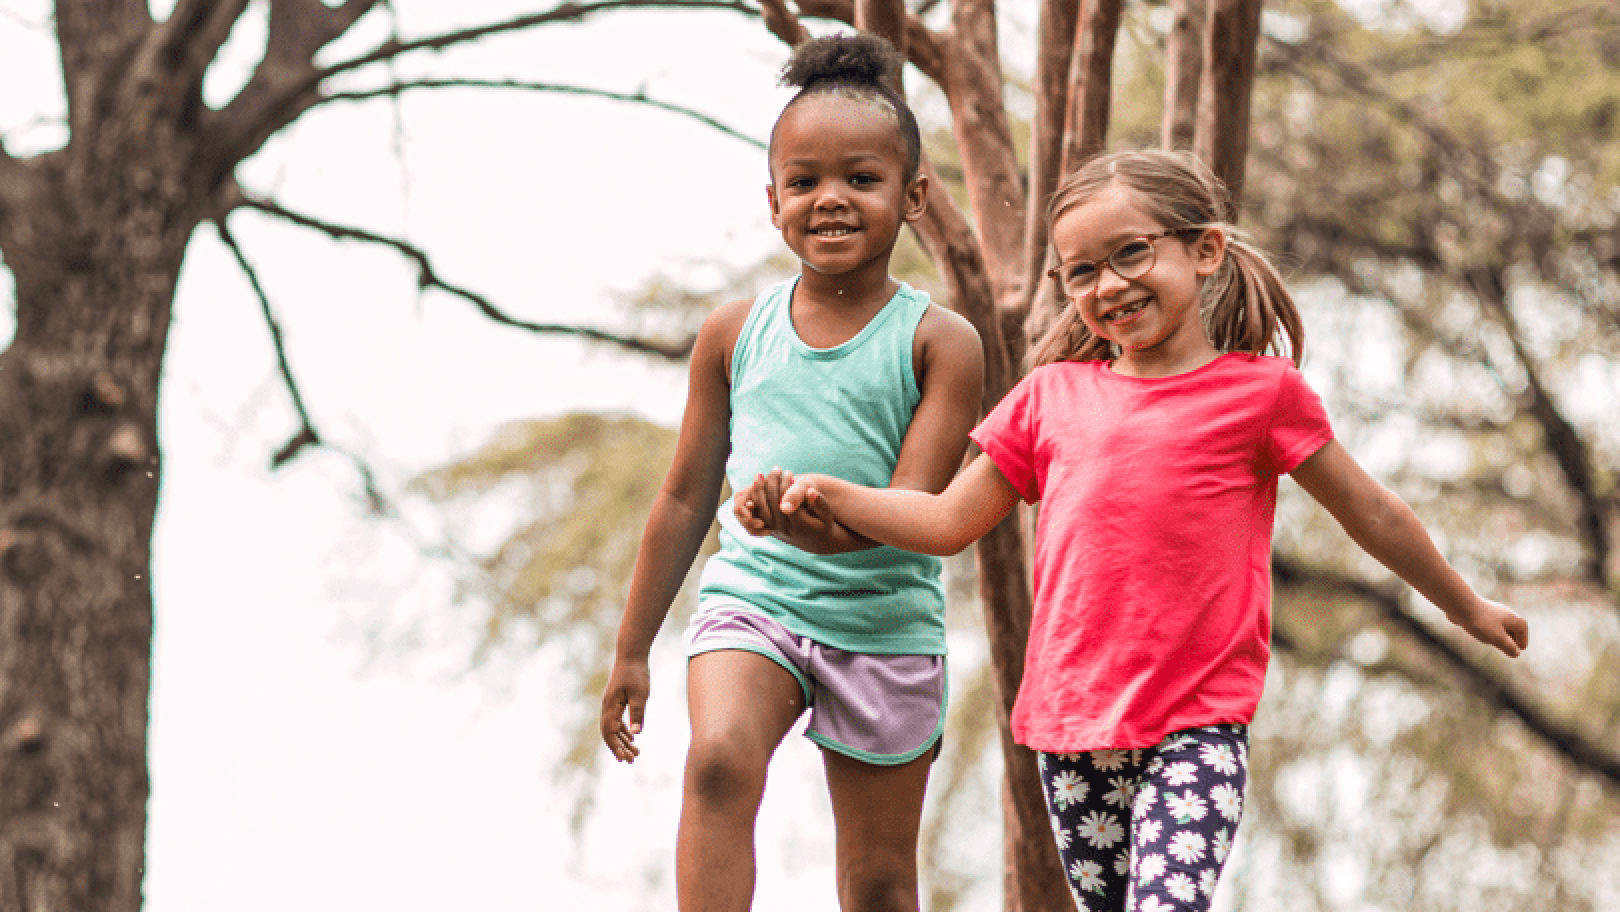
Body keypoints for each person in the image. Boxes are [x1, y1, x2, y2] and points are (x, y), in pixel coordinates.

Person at [735, 149, 1530, 912]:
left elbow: (1372, 511)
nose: (1108, 284)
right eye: (1082, 271)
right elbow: (946, 521)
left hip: (1197, 726)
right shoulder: (1049, 397)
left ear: (1206, 249)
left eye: (1131, 255)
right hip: (1073, 730)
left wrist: (1464, 606)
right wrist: (836, 495)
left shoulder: (1261, 396)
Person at [598, 32, 984, 912]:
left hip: (884, 623)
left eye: (862, 177)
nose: (831, 200)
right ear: (773, 201)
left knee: (880, 882)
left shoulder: (941, 343)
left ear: (914, 194)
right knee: (721, 761)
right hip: (756, 598)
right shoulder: (734, 334)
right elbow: (686, 495)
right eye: (804, 182)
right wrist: (632, 649)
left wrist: (818, 518)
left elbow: (911, 511)